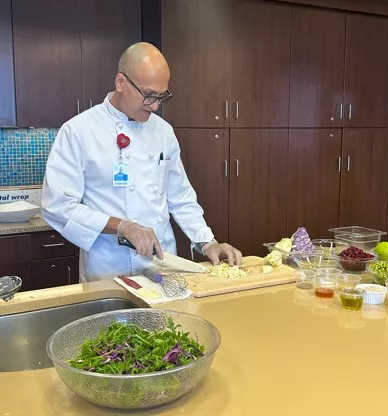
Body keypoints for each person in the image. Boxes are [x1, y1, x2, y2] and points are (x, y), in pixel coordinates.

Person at [41, 42, 242, 282]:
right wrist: (122, 226)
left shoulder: (163, 132)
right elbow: (57, 206)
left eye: (161, 96)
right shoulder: (78, 131)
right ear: (120, 83)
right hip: (108, 269)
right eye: (148, 95)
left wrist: (207, 242)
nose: (155, 106)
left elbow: (180, 197)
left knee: (165, 321)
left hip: (162, 265)